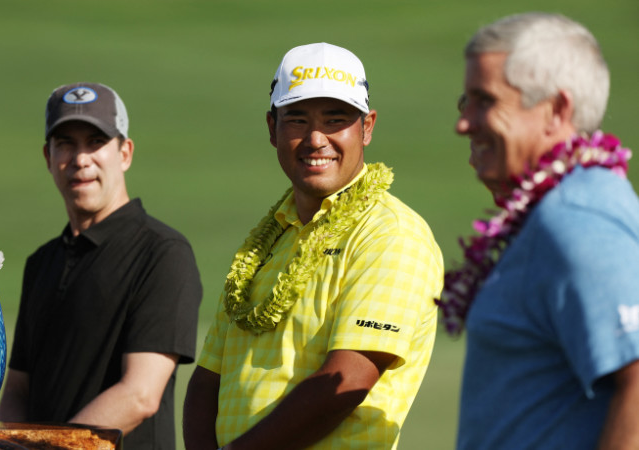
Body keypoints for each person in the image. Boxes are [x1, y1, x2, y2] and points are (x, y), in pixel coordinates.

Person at [183, 43, 444, 449]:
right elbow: (207, 380)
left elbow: (347, 381)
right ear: (272, 128)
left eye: (336, 119)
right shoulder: (266, 240)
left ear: (367, 127)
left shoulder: (391, 233)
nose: (316, 138)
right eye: (297, 119)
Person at [439, 12, 639, 449]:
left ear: (556, 110)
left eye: (485, 100)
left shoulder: (577, 216)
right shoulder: (561, 207)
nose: (463, 123)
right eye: (464, 103)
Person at [0, 82, 203, 449]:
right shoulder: (42, 262)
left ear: (124, 153)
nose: (80, 159)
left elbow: (140, 395)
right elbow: (17, 388)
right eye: (66, 144)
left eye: (95, 142)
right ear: (48, 157)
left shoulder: (162, 252)